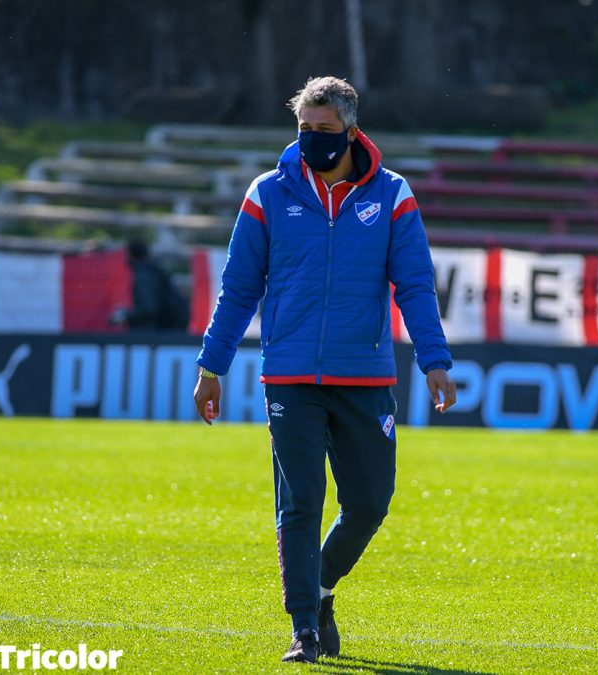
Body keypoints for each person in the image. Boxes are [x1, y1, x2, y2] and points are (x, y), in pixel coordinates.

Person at [192, 76, 457, 663]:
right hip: (289, 377)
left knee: (369, 504)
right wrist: (212, 365)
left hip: (365, 375)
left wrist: (435, 360)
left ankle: (319, 585)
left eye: (325, 129)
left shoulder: (393, 195)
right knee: (301, 503)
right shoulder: (267, 193)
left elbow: (415, 285)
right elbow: (238, 289)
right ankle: (305, 629)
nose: (313, 138)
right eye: (304, 128)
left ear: (352, 132)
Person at [110, 240, 188, 331]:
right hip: (172, 325)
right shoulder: (153, 270)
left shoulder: (144, 275)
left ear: (131, 255)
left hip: (163, 329)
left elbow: (147, 309)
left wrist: (126, 316)